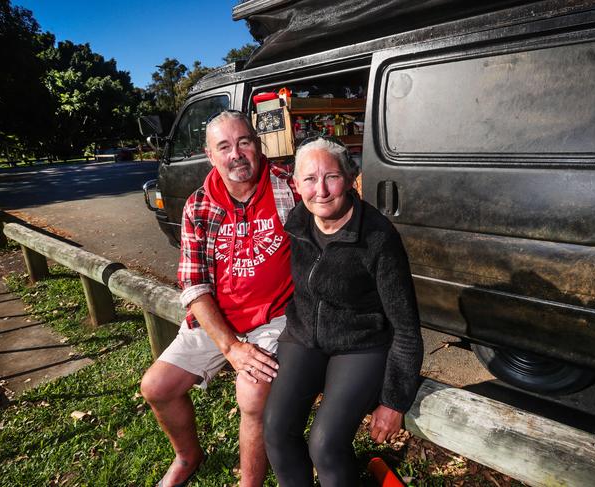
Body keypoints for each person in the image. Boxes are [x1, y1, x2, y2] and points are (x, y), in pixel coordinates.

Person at [140, 110, 298, 487]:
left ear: (258, 146)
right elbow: (193, 286)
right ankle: (187, 456)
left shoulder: (288, 187)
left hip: (274, 317)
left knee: (253, 391)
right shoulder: (199, 205)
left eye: (244, 142)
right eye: (224, 146)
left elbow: (333, 200)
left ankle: (249, 483)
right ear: (210, 155)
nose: (236, 154)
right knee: (156, 387)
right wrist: (230, 347)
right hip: (218, 320)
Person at [263, 136, 424, 487]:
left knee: (325, 445)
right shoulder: (299, 220)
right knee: (275, 429)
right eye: (309, 179)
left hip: (360, 344)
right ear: (296, 184)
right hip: (304, 336)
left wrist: (394, 400)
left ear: (350, 179)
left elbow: (407, 328)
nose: (320, 190)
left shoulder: (378, 238)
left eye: (331, 177)